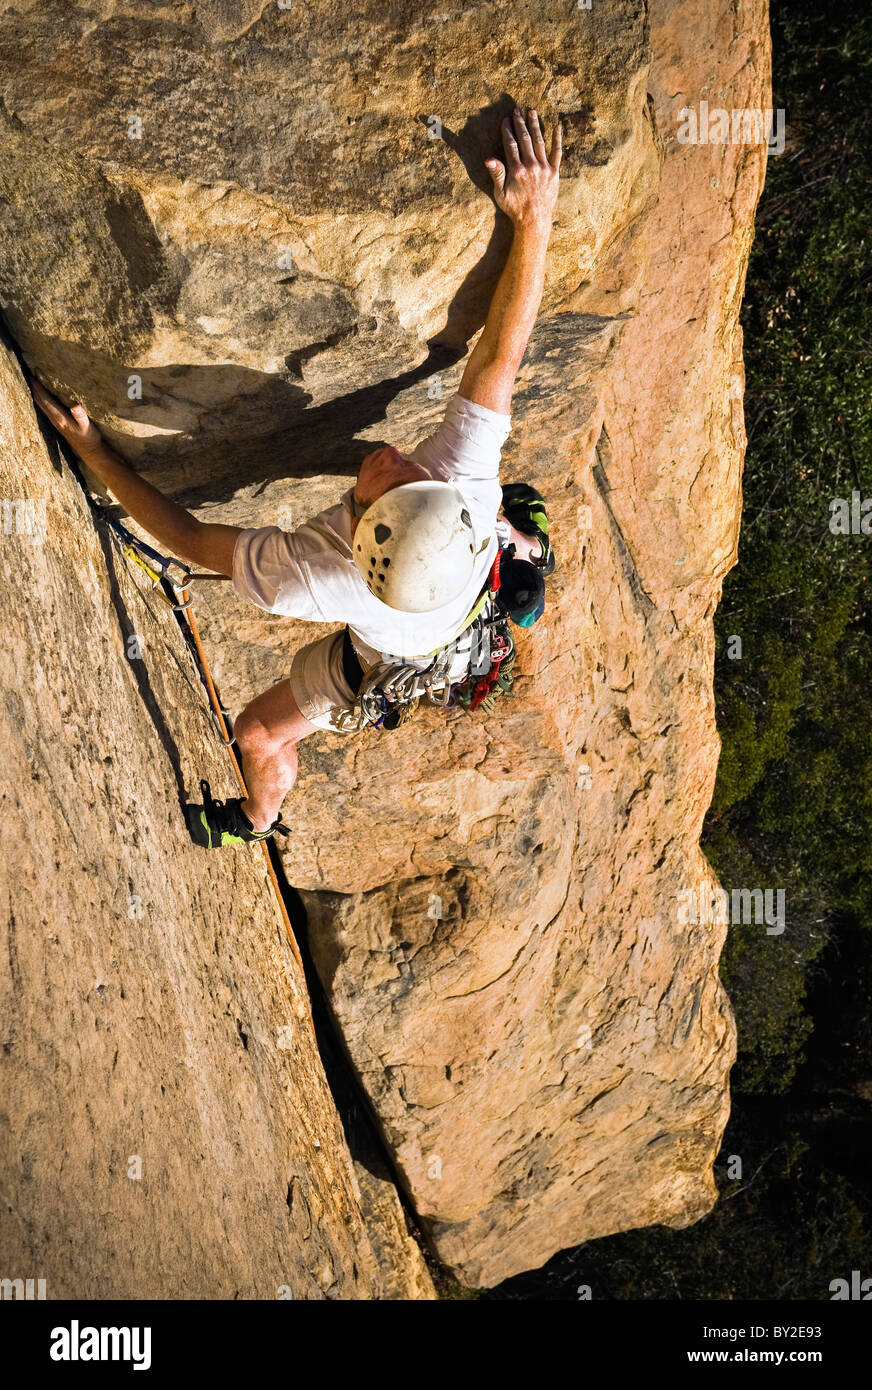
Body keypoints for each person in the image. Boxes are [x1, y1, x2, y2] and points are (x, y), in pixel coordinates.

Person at [31, 107, 561, 848]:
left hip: (400, 650)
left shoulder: (313, 578)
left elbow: (186, 535)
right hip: (450, 603)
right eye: (414, 476)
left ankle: (254, 820)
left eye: (389, 483)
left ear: (363, 536)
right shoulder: (459, 494)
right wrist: (535, 219)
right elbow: (502, 356)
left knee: (255, 731)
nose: (396, 459)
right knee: (269, 725)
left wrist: (97, 454)